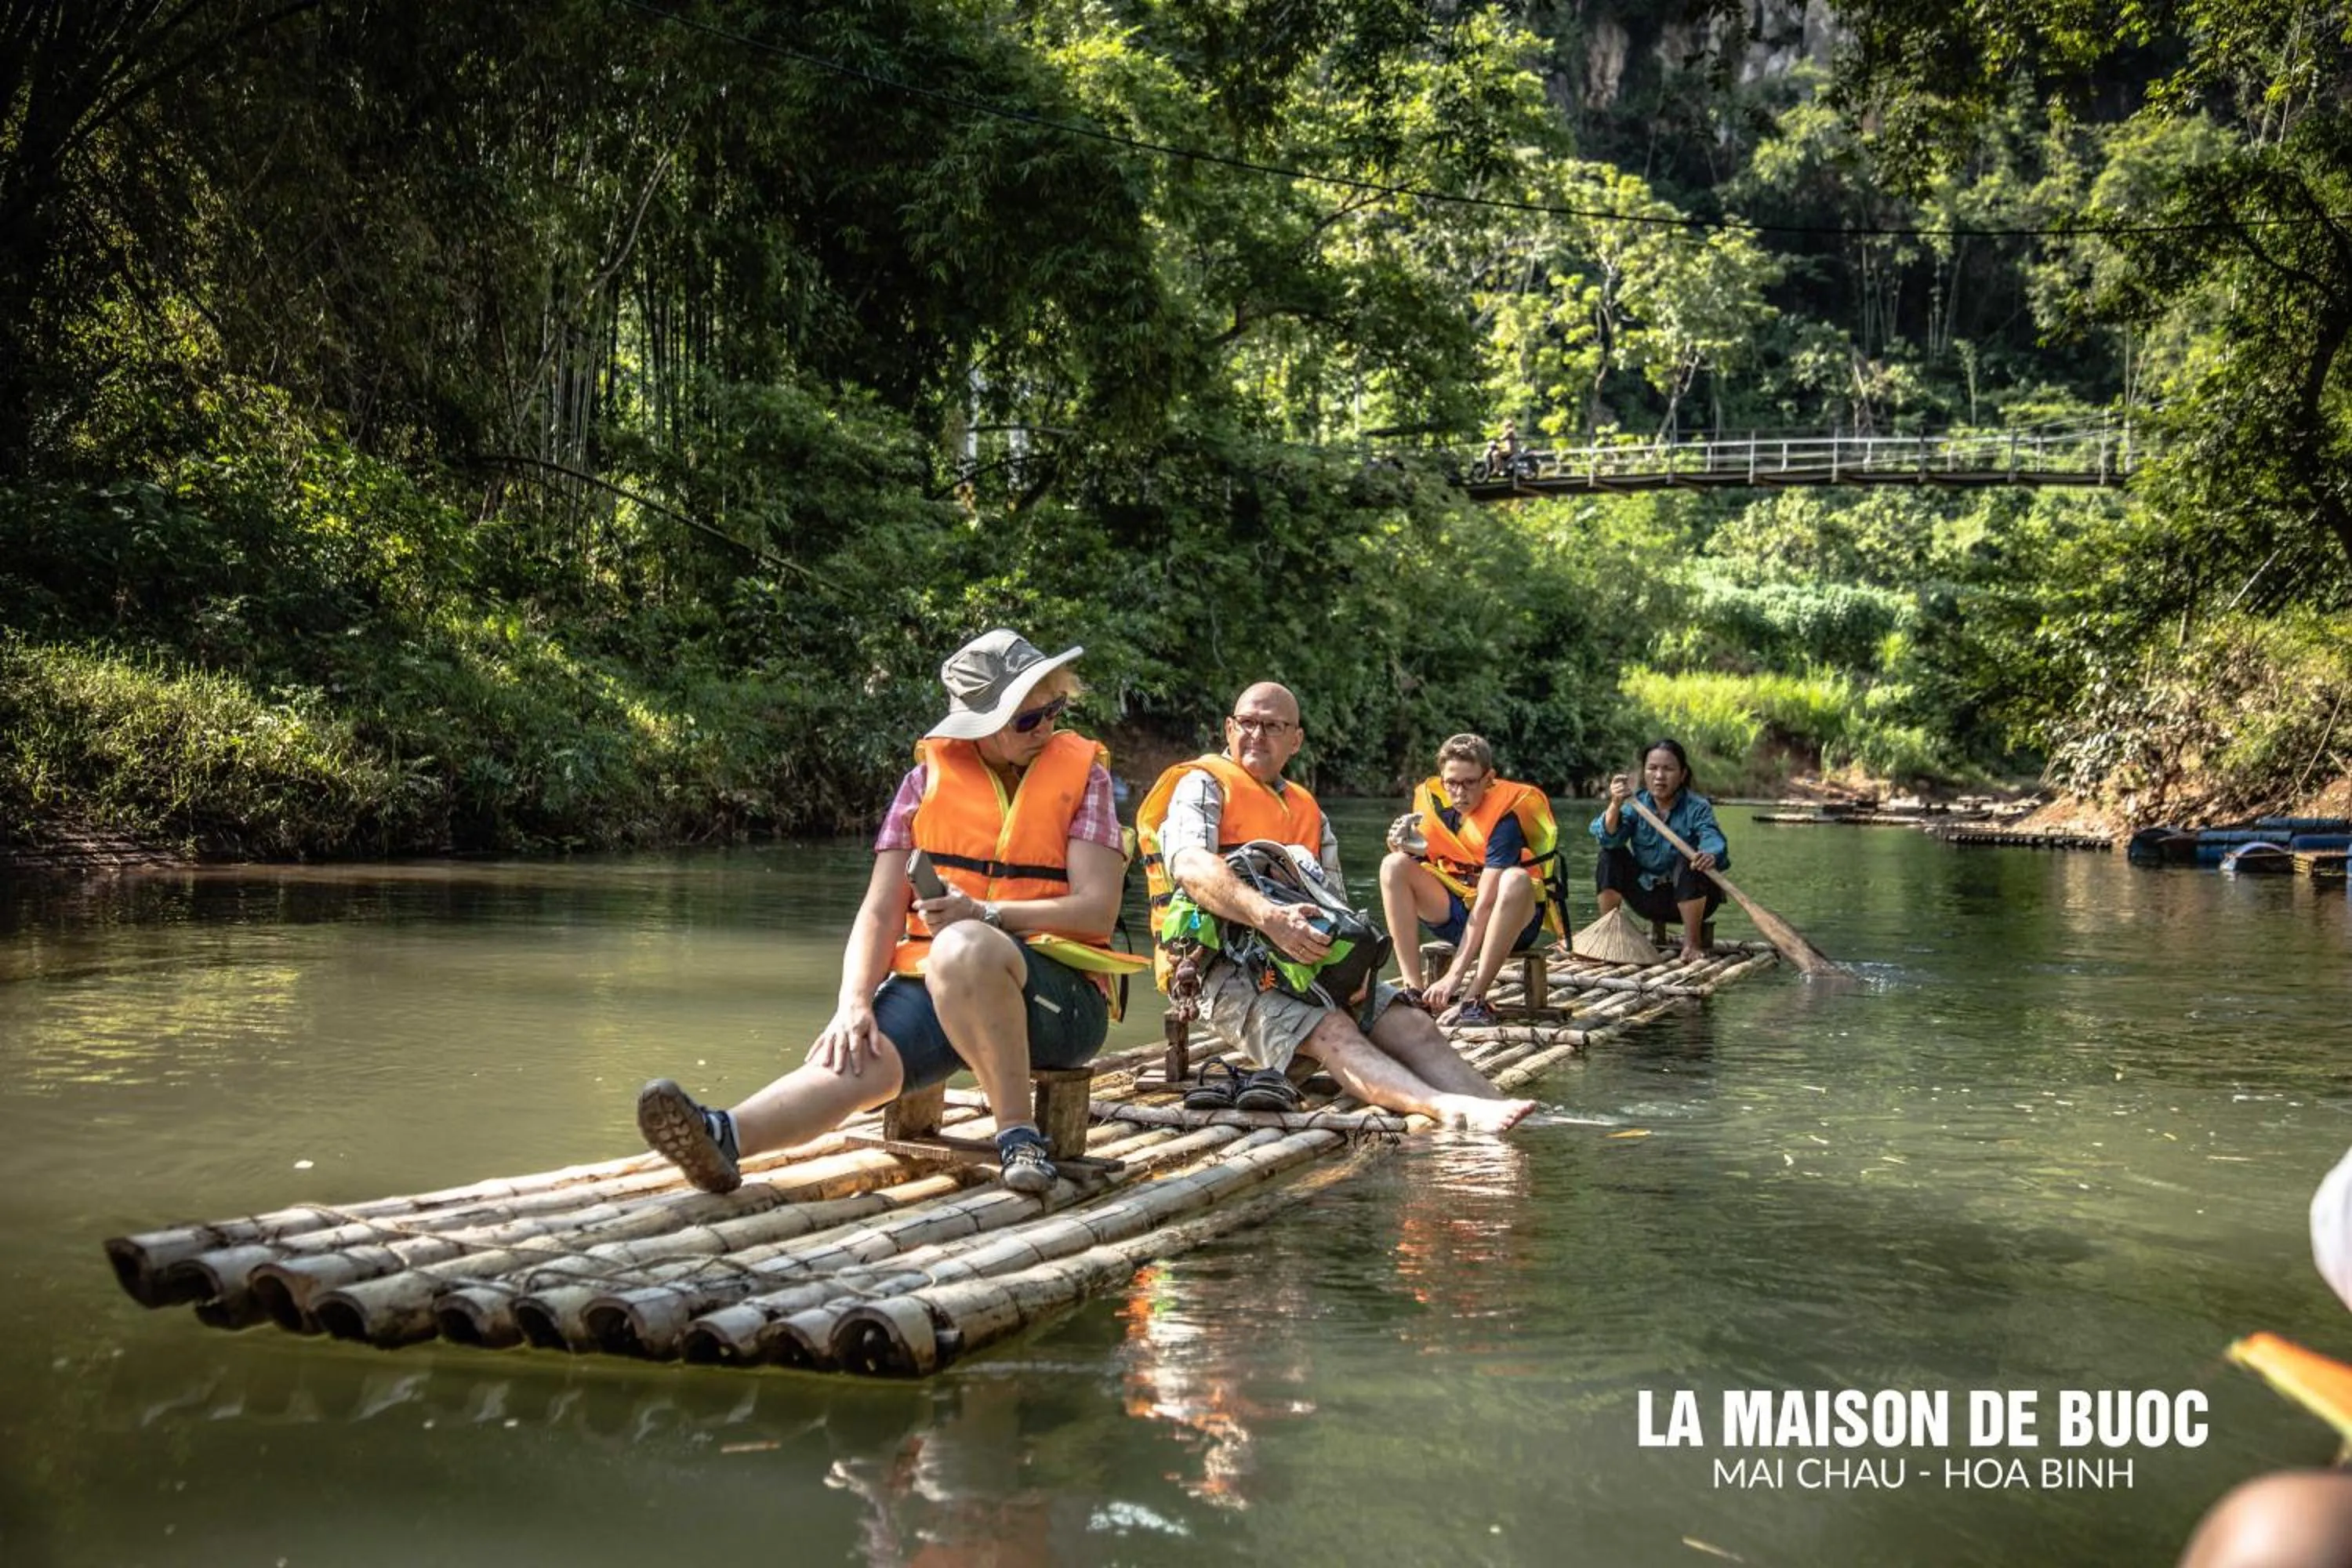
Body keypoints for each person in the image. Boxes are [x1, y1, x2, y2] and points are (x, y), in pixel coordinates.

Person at [635, 629, 1145, 1197]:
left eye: (1052, 710)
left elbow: (1096, 913)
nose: (1047, 728)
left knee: (965, 946)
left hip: (1059, 1002)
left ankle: (1018, 1137)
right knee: (857, 1051)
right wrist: (852, 1004)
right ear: (981, 724)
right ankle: (726, 1136)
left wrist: (985, 913)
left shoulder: (1085, 777)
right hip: (945, 981)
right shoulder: (924, 781)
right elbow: (880, 911)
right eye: (1027, 720)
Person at [1133, 681, 1534, 1134]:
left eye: (1272, 726)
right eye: (1247, 723)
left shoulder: (1309, 811)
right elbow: (1189, 864)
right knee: (1332, 1028)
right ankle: (1445, 1108)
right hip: (1222, 968)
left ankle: (1494, 1104)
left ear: (1295, 740)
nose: (1256, 735)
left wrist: (1356, 972)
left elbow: (1335, 905)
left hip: (1306, 953)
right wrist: (1268, 916)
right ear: (1229, 728)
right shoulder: (1201, 785)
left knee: (1413, 1025)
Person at [1377, 734, 1563, 1025]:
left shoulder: (1505, 821)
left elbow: (1487, 901)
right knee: (1393, 865)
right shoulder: (1436, 810)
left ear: (1488, 779)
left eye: (1469, 783)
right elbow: (1427, 866)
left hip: (1510, 924)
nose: (1459, 792)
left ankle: (1474, 1000)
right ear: (1442, 779)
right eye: (1452, 783)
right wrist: (1402, 847)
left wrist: (1455, 977)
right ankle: (1413, 990)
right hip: (1458, 914)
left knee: (1514, 879)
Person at [1590, 738, 1728, 963]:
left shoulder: (1697, 807)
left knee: (1690, 858)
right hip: (1647, 898)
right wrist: (1615, 804)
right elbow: (1608, 837)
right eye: (1652, 768)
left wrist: (1709, 854)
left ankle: (1691, 944)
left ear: (1683, 774)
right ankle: (1608, 933)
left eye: (1668, 769)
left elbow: (1712, 838)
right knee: (1609, 854)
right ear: (1644, 773)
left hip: (1694, 899)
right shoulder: (1636, 806)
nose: (1659, 776)